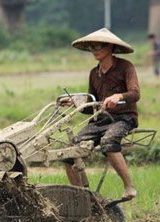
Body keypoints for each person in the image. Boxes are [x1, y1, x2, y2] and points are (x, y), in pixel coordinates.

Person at [60, 28, 140, 200]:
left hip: (123, 118)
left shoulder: (126, 67)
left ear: (109, 47)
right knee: (69, 152)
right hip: (101, 120)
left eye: (98, 46)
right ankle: (81, 196)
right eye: (91, 47)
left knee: (109, 141)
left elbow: (135, 93)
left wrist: (119, 95)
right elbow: (92, 106)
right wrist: (76, 104)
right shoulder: (94, 73)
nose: (94, 50)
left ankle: (129, 187)